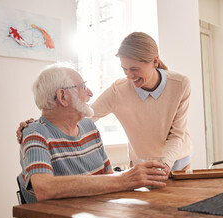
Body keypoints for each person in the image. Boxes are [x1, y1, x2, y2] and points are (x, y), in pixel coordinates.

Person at [18, 32, 192, 177]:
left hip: (177, 161)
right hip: (142, 163)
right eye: (124, 69)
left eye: (134, 69)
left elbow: (176, 135)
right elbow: (85, 114)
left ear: (155, 61)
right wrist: (38, 126)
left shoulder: (180, 84)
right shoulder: (119, 90)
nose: (129, 76)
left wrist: (165, 165)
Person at [18, 62, 168, 203]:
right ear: (62, 96)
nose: (90, 93)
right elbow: (44, 188)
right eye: (83, 87)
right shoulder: (35, 132)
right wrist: (125, 179)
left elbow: (108, 177)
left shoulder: (88, 126)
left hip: (98, 213)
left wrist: (131, 178)